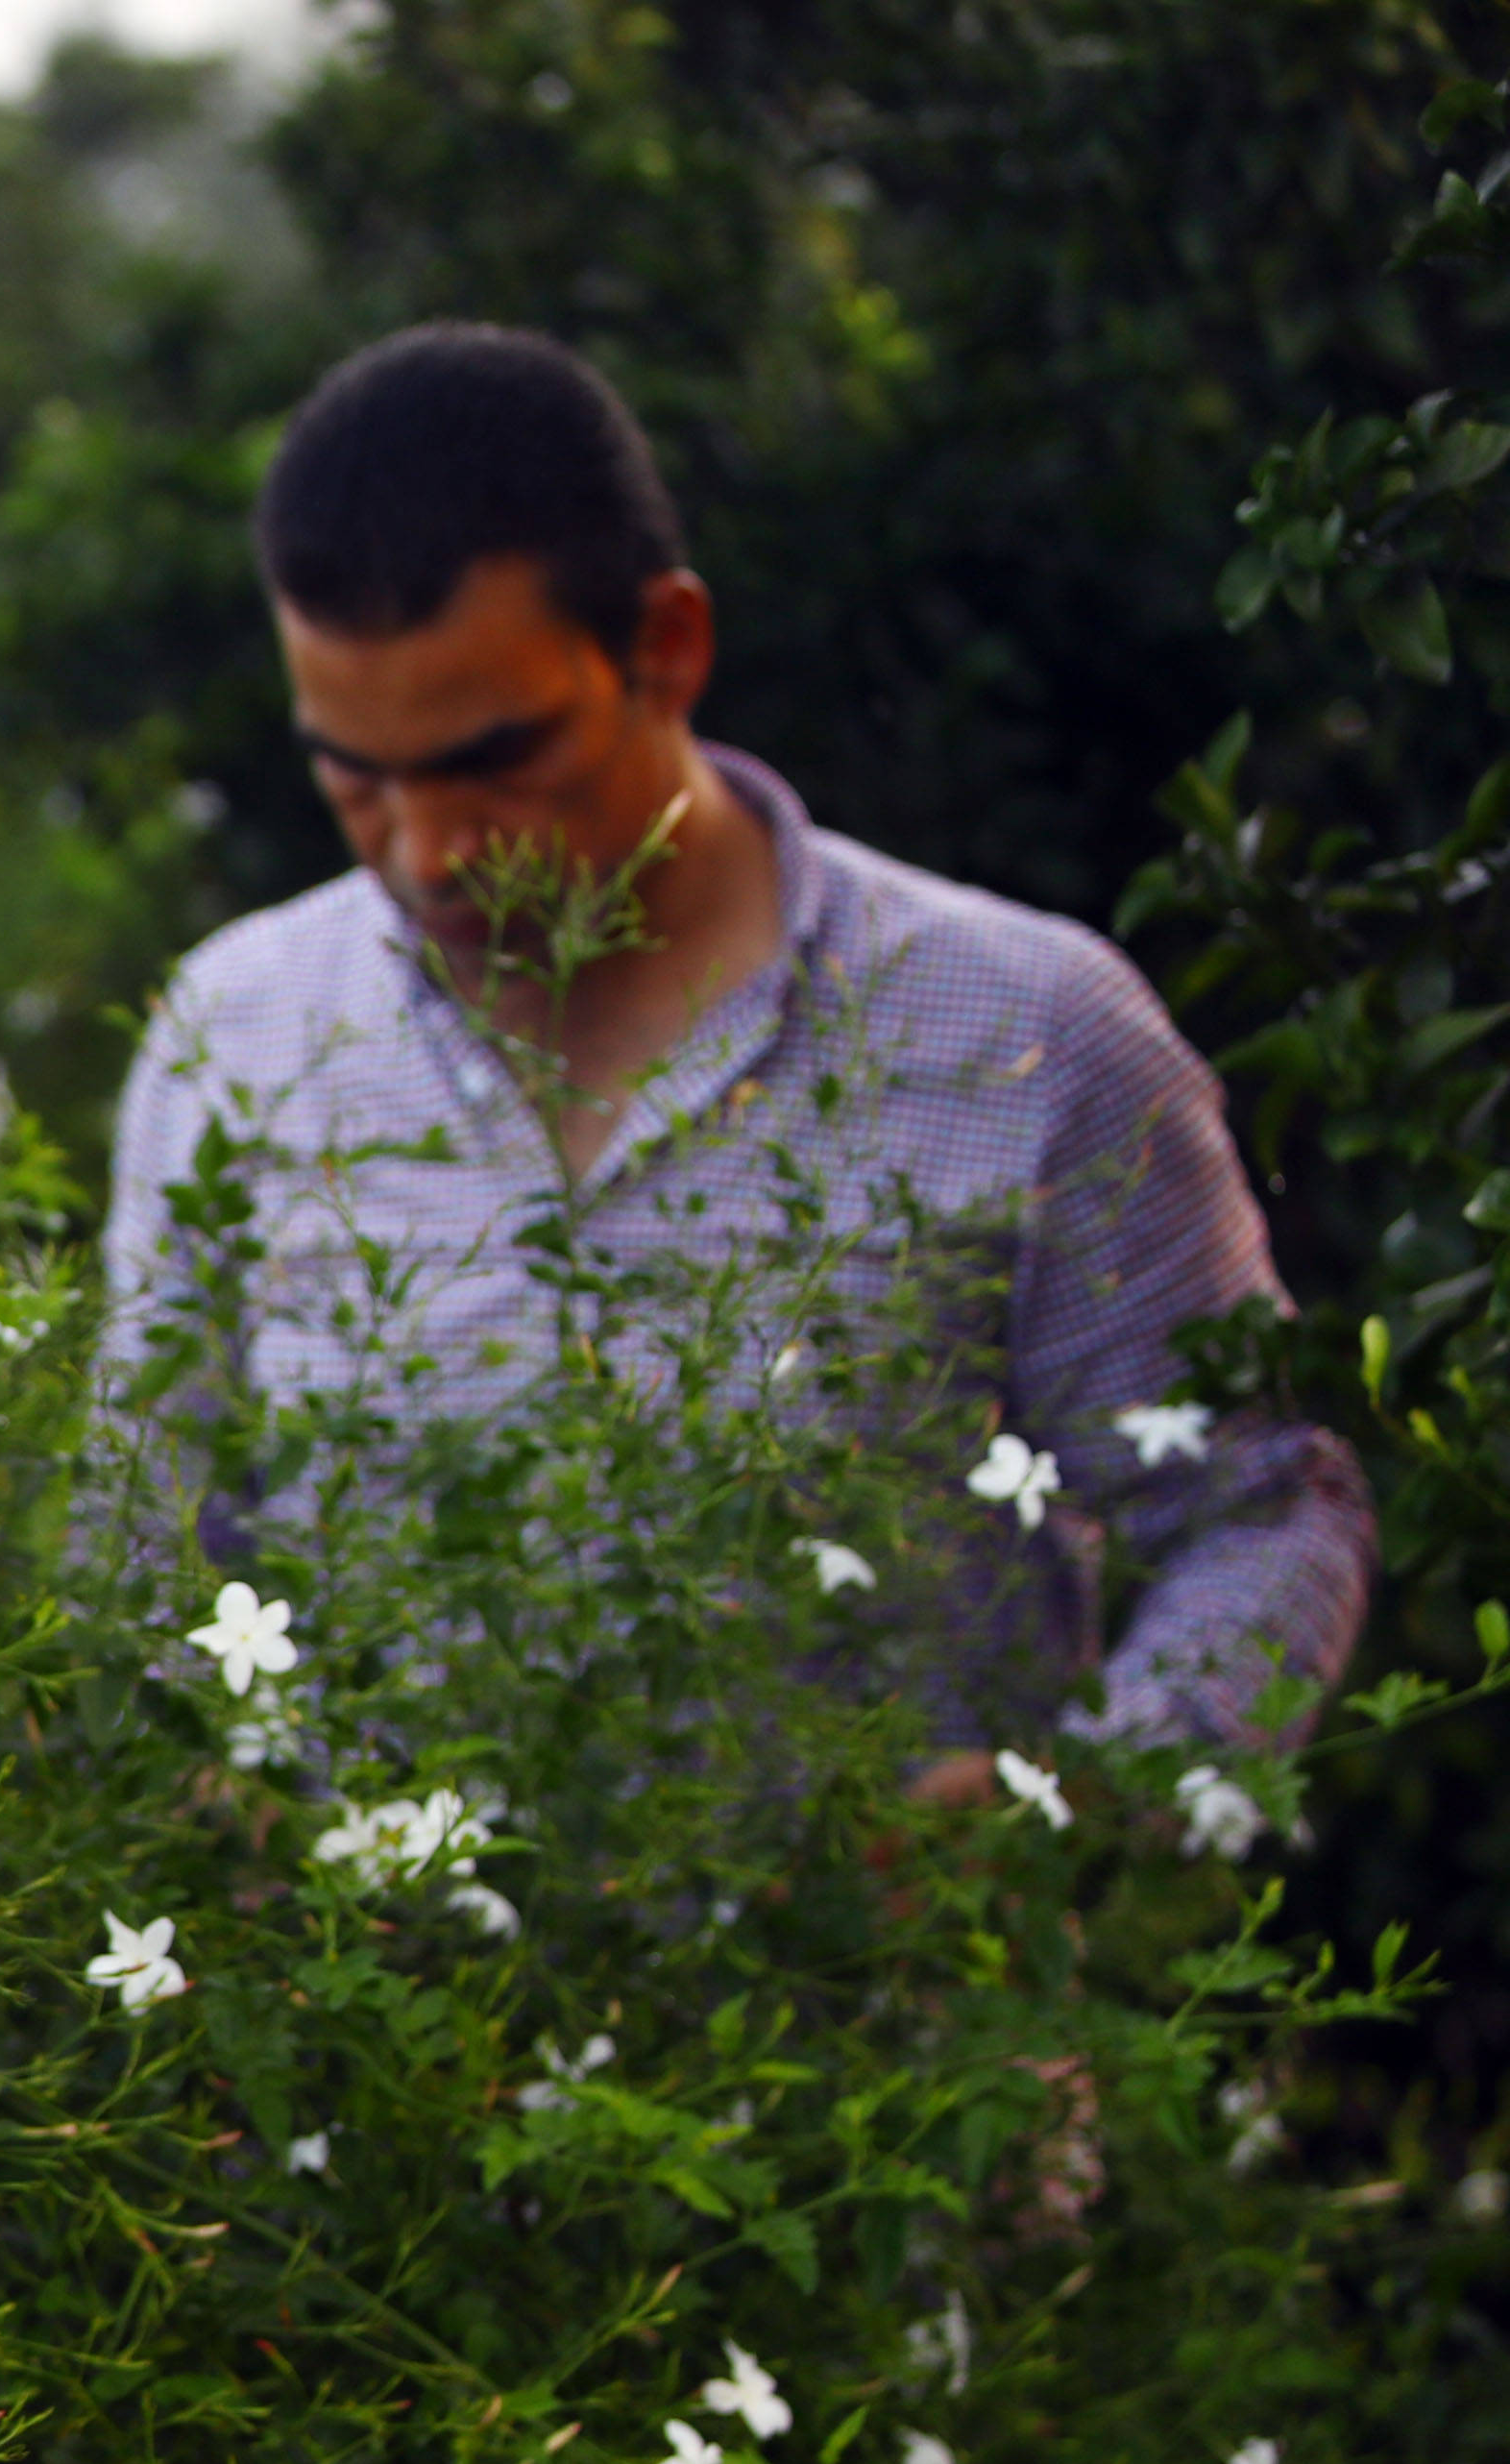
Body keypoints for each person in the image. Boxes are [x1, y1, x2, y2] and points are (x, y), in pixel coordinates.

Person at [96, 322, 1370, 1769]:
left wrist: (1069, 1818)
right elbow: (148, 1551)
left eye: (496, 759)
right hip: (389, 1987)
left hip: (888, 1985)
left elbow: (1256, 1516)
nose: (433, 851)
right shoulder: (235, 1035)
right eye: (354, 775)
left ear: (669, 650)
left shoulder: (1032, 1033)